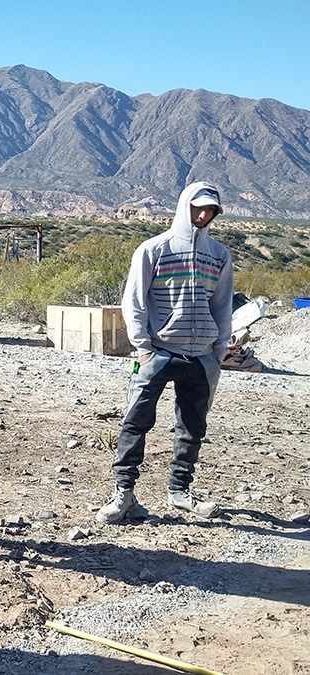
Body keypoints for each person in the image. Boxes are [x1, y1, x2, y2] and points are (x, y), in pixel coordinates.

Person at [96, 181, 234, 524]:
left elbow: (222, 304)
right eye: (198, 207)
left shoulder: (219, 255)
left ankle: (180, 492)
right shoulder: (153, 249)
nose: (203, 215)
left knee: (192, 426)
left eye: (211, 210)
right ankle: (124, 493)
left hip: (201, 356)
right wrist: (143, 348)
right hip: (158, 351)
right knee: (135, 421)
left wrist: (217, 352)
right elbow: (135, 301)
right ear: (184, 206)